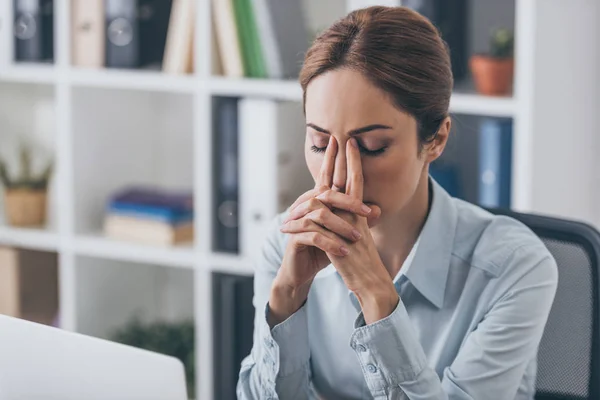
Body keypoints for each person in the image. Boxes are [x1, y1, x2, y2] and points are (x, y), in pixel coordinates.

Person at [237, 6, 558, 400]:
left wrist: (378, 297)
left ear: (436, 140)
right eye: (320, 144)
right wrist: (287, 298)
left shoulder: (514, 268)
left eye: (371, 148)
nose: (339, 175)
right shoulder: (283, 242)